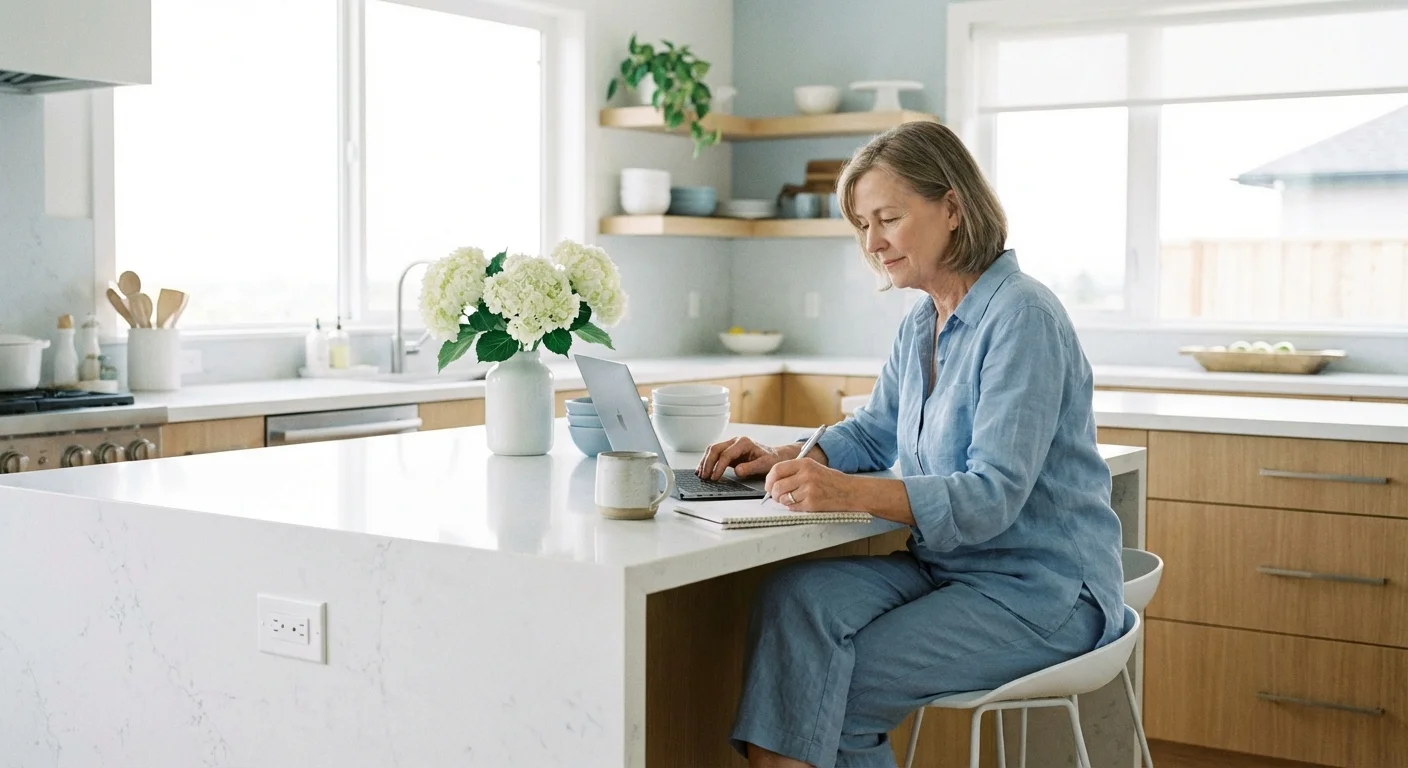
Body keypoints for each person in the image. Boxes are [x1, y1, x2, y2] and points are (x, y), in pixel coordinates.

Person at [697, 121, 1124, 768]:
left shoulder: (1023, 318)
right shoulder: (923, 321)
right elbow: (875, 429)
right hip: (951, 570)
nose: (873, 243)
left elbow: (991, 497)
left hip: (1042, 592)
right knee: (795, 599)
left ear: (952, 207)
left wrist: (846, 491)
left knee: (835, 689)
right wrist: (794, 459)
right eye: (863, 225)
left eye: (888, 219)